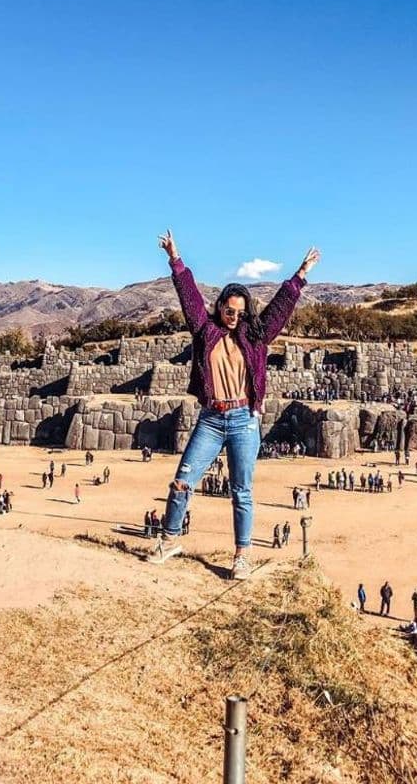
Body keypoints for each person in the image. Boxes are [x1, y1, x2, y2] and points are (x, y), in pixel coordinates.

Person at [147, 229, 319, 580]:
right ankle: (169, 538)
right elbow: (189, 298)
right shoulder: (205, 330)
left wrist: (299, 276)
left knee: (241, 492)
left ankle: (241, 556)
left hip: (244, 419)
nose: (234, 316)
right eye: (229, 309)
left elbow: (280, 310)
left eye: (241, 312)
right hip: (211, 418)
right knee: (182, 481)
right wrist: (175, 259)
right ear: (221, 307)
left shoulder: (256, 335)